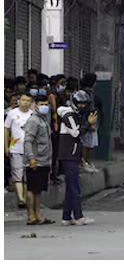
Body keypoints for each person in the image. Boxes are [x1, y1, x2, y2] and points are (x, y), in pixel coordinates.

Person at [57, 90, 94, 225]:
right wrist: (88, 124)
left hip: (72, 155)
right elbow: (75, 133)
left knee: (71, 188)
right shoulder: (69, 115)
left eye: (84, 104)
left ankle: (66, 217)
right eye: (80, 103)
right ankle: (79, 216)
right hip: (68, 156)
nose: (82, 106)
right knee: (74, 187)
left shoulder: (74, 115)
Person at [22, 94, 53, 225]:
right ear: (36, 105)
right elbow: (28, 141)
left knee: (38, 189)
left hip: (44, 159)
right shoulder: (33, 121)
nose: (44, 107)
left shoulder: (43, 119)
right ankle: (31, 215)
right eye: (41, 104)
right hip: (35, 160)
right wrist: (31, 158)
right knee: (32, 188)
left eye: (46, 104)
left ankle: (38, 214)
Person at [5, 91, 34, 213]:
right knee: (17, 173)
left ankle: (26, 198)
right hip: (15, 148)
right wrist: (5, 146)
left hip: (30, 150)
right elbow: (6, 130)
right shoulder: (12, 114)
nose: (25, 103)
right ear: (19, 101)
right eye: (23, 100)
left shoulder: (33, 115)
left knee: (27, 176)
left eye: (28, 101)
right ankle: (21, 199)